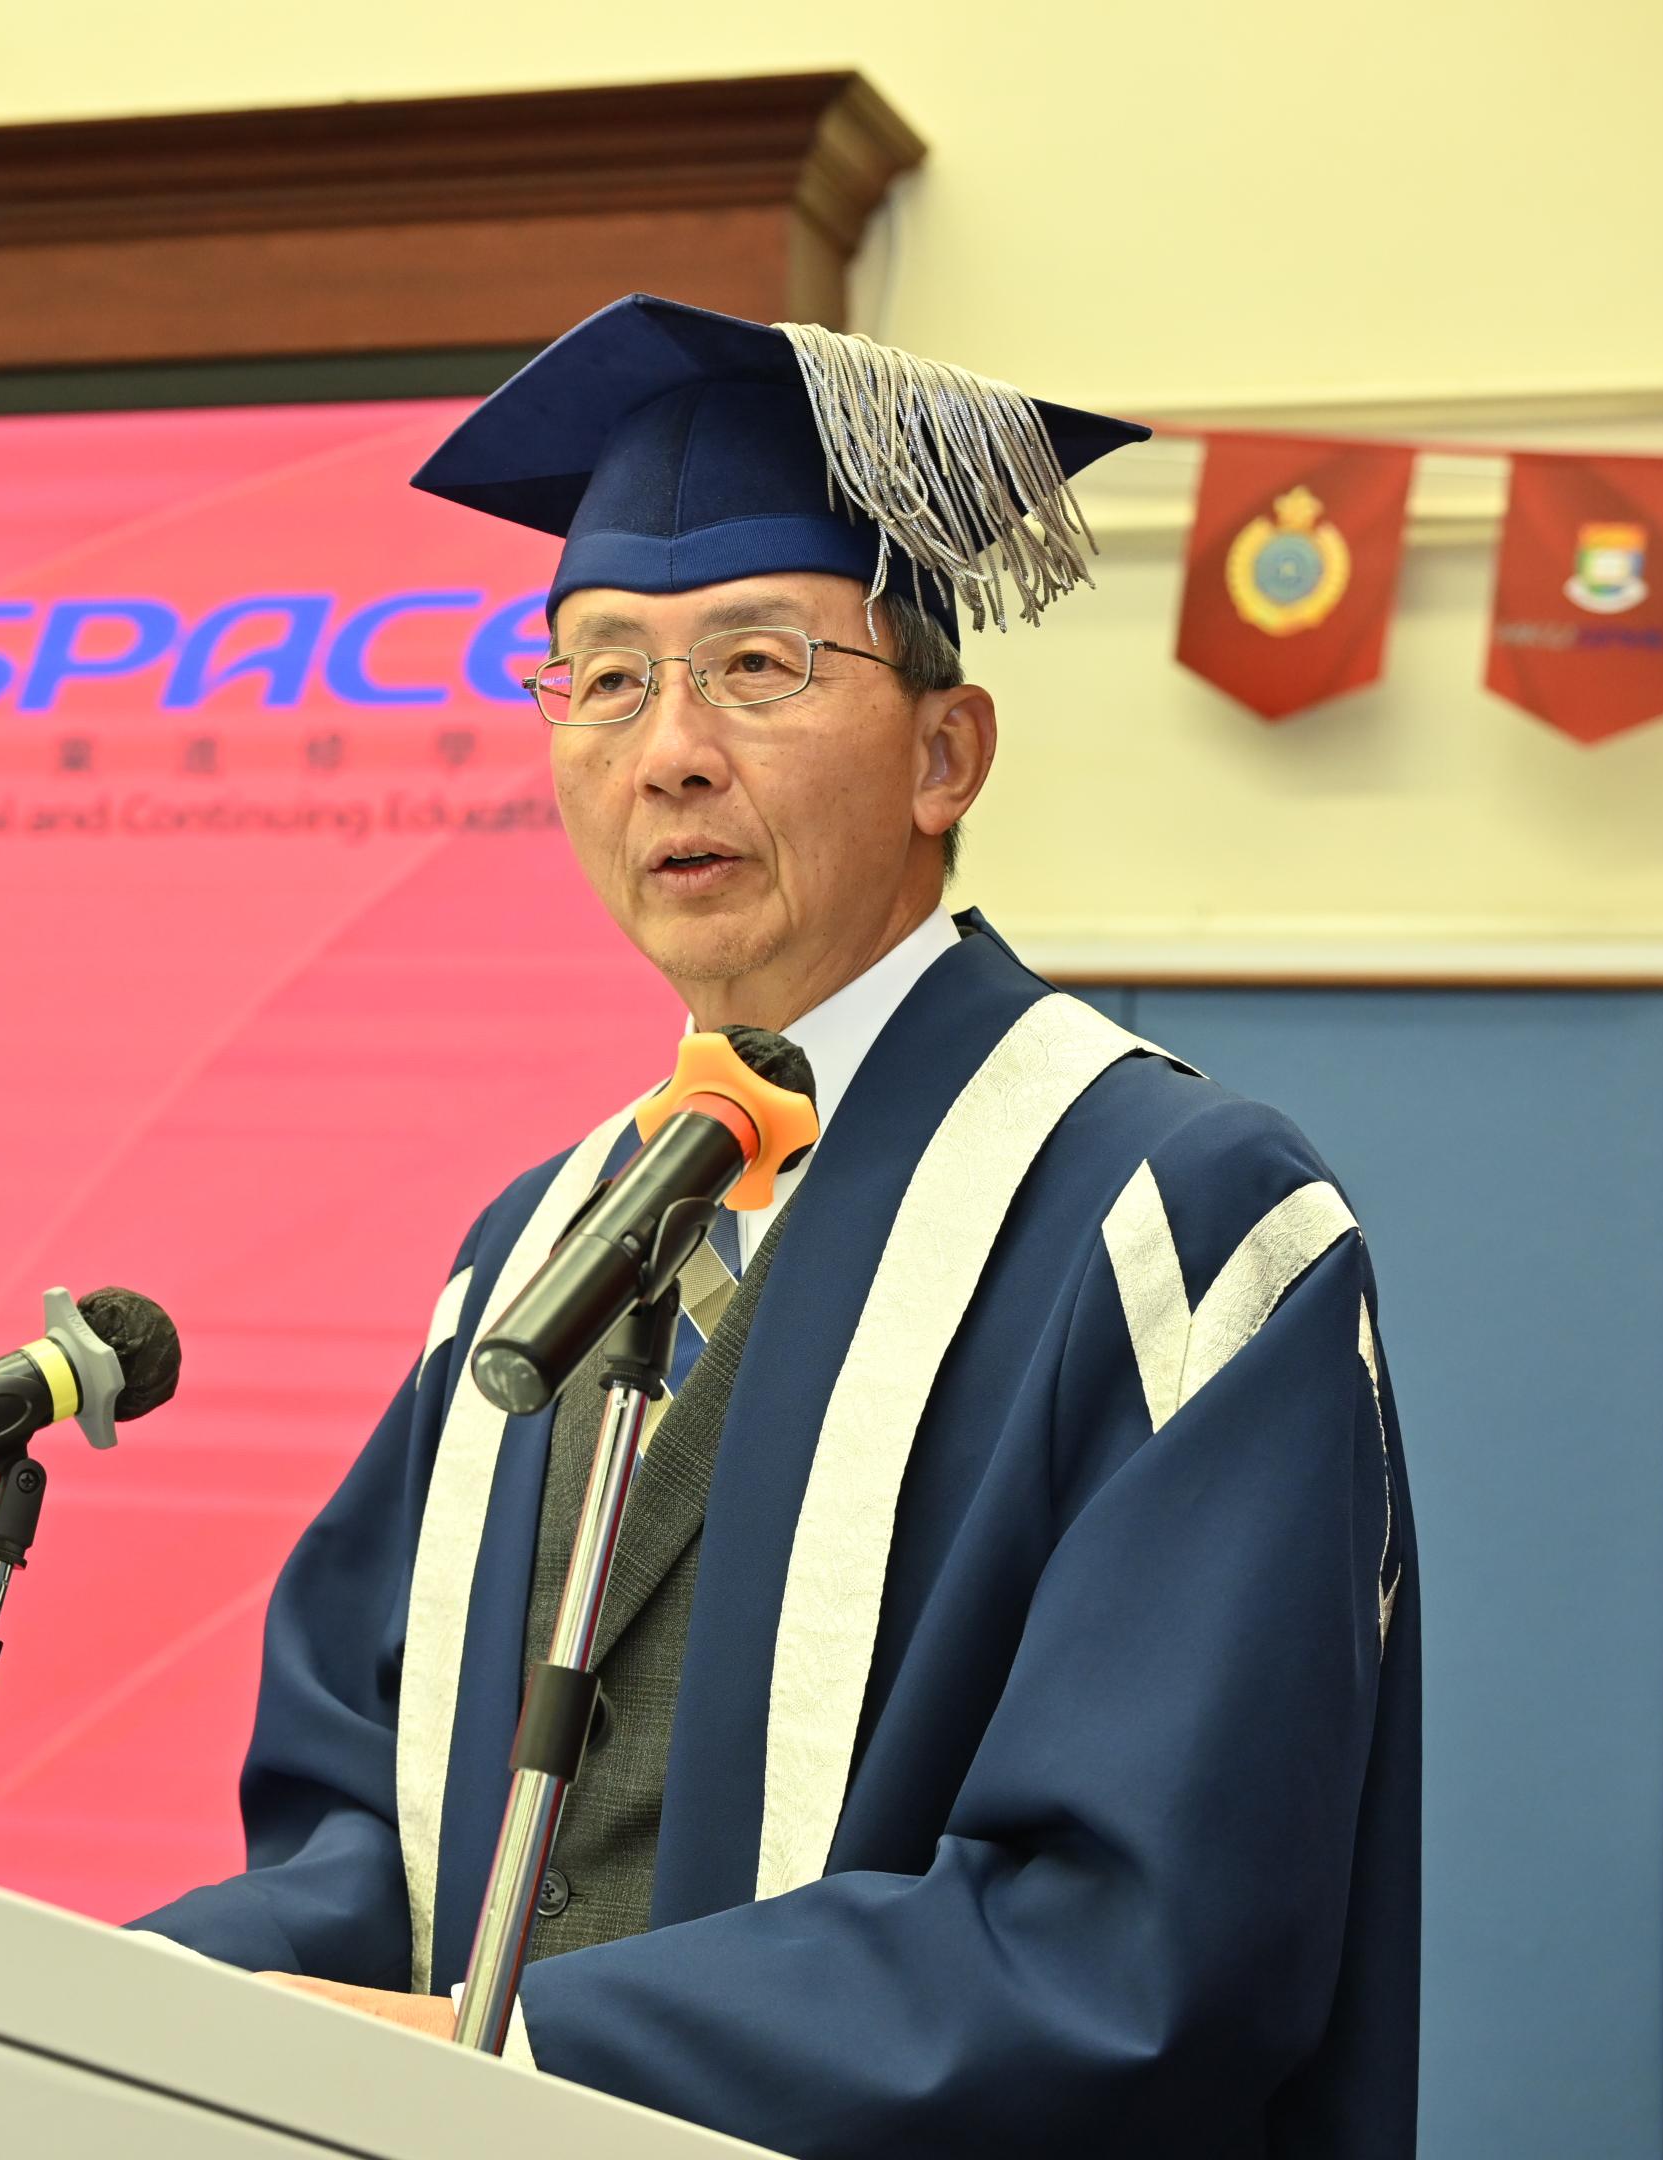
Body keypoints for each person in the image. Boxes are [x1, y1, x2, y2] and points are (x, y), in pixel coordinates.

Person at [134, 295, 1420, 2158]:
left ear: (944, 757)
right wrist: (108, 1994)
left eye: (754, 666)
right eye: (600, 674)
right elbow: (371, 1829)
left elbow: (1144, 1939)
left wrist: (521, 2055)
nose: (665, 750)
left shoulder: (1173, 1222)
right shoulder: (532, 1254)